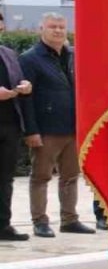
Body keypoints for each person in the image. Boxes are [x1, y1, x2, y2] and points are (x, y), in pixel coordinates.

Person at [19, 13, 96, 238]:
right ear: (41, 29)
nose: (58, 31)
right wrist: (31, 130)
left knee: (71, 176)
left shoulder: (73, 55)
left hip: (73, 127)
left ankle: (69, 219)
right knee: (41, 176)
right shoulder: (30, 59)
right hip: (46, 129)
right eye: (53, 27)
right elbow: (26, 99)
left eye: (62, 27)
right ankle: (40, 221)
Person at [0, 12, 33, 242]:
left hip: (9, 123)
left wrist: (25, 85)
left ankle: (3, 225)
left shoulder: (9, 53)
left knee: (6, 178)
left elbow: (19, 78)